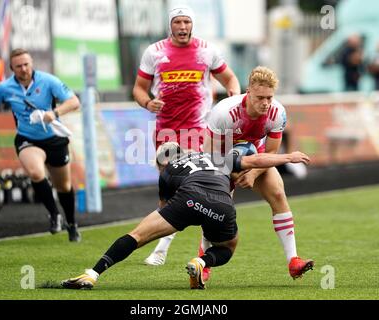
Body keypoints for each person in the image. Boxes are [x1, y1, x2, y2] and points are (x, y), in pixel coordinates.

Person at [61, 141, 311, 290]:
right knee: (228, 247)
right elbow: (256, 159)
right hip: (221, 204)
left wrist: (162, 230)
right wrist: (288, 157)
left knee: (136, 235)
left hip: (187, 198)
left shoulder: (167, 172)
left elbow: (163, 208)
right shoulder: (218, 158)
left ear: (163, 162)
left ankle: (92, 274)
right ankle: (202, 262)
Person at [132, 5, 240, 272]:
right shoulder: (154, 52)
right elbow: (138, 88)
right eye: (178, 22)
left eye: (186, 22)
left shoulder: (207, 50)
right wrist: (147, 103)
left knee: (194, 188)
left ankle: (164, 250)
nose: (182, 27)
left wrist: (231, 103)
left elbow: (230, 79)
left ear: (192, 24)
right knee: (168, 189)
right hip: (166, 130)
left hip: (198, 130)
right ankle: (169, 245)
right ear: (171, 25)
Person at [204, 66, 314, 279]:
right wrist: (235, 174)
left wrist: (252, 173)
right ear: (248, 92)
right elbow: (212, 156)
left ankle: (293, 261)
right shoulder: (224, 112)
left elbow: (271, 152)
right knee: (216, 209)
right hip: (220, 159)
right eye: (260, 97)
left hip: (256, 159)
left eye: (269, 97)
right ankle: (203, 264)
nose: (265, 103)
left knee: (279, 194)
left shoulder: (277, 112)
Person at [0, 48, 81, 242]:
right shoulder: (5, 87)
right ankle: (54, 214)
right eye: (18, 66)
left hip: (54, 138)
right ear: (12, 68)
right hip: (27, 138)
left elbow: (74, 101)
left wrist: (55, 113)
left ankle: (71, 223)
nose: (24, 69)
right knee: (36, 172)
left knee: (64, 186)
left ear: (32, 64)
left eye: (26, 64)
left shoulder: (48, 80)